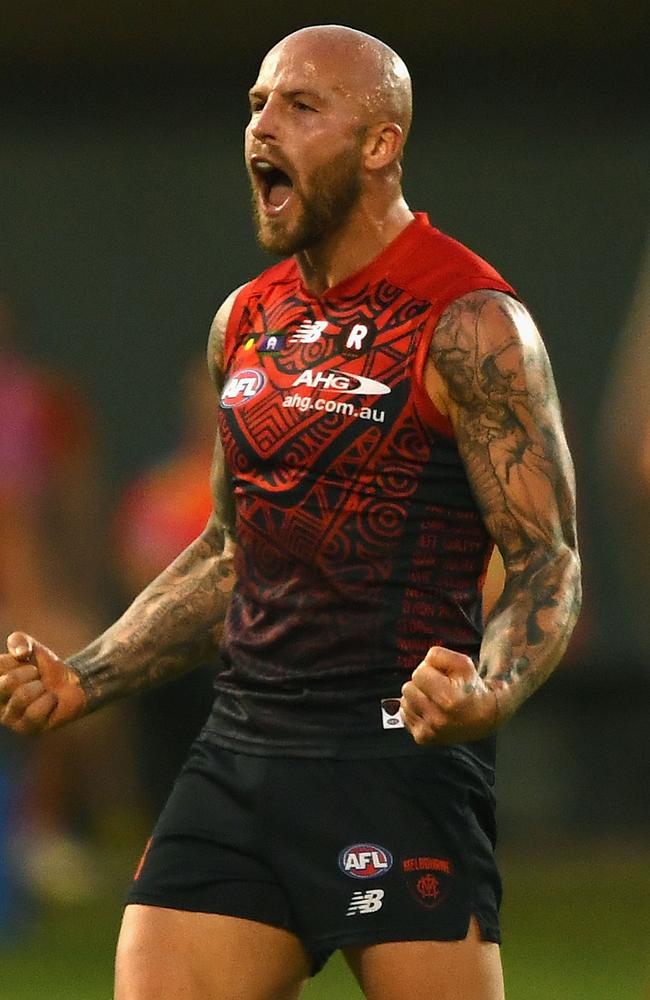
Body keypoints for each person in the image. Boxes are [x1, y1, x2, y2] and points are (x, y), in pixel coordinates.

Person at [0, 24, 581, 1000]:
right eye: (256, 105)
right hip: (240, 751)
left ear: (378, 144)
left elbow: (545, 562)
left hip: (396, 761)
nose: (261, 126)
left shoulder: (469, 322)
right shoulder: (247, 319)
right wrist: (84, 679)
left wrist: (490, 686)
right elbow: (229, 553)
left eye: (299, 106)